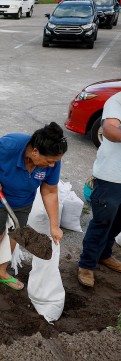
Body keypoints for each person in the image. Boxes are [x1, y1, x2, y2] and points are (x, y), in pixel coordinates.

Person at [0, 123, 67, 299]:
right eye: (50, 161)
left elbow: (50, 191)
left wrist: (54, 225)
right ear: (35, 152)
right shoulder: (9, 146)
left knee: (16, 233)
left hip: (22, 199)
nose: (52, 166)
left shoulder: (52, 162)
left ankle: (0, 271)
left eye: (55, 161)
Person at [78, 93, 121, 287]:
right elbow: (110, 130)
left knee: (118, 221)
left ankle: (104, 255)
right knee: (102, 222)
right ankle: (86, 265)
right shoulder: (116, 101)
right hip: (112, 176)